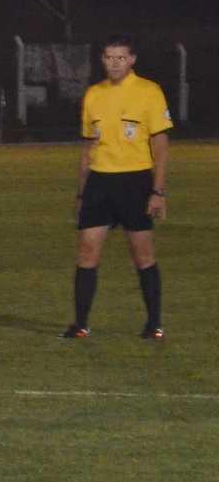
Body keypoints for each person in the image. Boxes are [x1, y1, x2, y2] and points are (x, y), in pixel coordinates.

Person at [61, 34, 172, 340]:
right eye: (109, 57)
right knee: (87, 253)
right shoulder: (93, 94)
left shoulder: (149, 91)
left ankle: (154, 325)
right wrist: (81, 193)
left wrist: (158, 191)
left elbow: (161, 145)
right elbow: (87, 149)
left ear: (132, 60)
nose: (114, 63)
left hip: (135, 182)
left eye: (121, 57)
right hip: (99, 183)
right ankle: (80, 325)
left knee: (143, 255)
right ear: (102, 60)